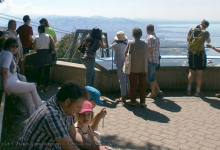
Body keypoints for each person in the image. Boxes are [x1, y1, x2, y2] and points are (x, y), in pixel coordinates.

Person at [21, 81, 110, 150]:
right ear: (68, 102)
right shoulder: (52, 115)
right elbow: (70, 147)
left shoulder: (62, 104)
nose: (79, 110)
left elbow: (74, 135)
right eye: (78, 107)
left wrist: (98, 147)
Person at [0, 38, 42, 117]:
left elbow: (10, 69)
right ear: (7, 46)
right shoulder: (8, 54)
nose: (15, 48)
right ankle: (41, 108)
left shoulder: (4, 53)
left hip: (10, 82)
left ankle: (32, 116)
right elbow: (4, 71)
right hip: (9, 83)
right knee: (32, 87)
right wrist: (5, 88)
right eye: (12, 46)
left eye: (16, 46)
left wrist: (17, 59)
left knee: (27, 95)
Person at [125, 28, 148, 107]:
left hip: (133, 67)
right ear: (141, 35)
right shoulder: (145, 44)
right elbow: (147, 54)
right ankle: (143, 102)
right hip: (143, 67)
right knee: (143, 85)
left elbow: (126, 54)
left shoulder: (130, 43)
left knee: (133, 85)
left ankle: (133, 101)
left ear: (133, 35)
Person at [186, 19, 211, 96]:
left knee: (191, 72)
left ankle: (188, 90)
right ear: (206, 26)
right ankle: (197, 91)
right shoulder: (205, 33)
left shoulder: (191, 30)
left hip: (191, 53)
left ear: (200, 23)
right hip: (200, 54)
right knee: (199, 73)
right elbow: (208, 41)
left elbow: (187, 39)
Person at [33, 25, 55, 92]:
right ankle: (46, 87)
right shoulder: (49, 36)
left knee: (39, 71)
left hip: (39, 54)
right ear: (44, 30)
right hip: (47, 55)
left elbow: (34, 48)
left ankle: (39, 85)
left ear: (39, 30)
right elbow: (53, 45)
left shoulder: (36, 37)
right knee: (47, 72)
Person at [110, 31, 130, 102]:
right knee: (128, 79)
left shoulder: (116, 45)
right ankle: (129, 93)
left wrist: (114, 41)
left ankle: (123, 96)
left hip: (120, 63)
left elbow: (110, 46)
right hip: (127, 62)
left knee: (122, 80)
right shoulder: (127, 43)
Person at [145, 24, 162, 98]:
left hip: (151, 60)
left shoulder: (150, 37)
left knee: (150, 77)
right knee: (152, 76)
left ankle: (153, 93)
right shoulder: (156, 36)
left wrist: (146, 58)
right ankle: (158, 90)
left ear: (147, 30)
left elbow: (149, 49)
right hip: (156, 59)